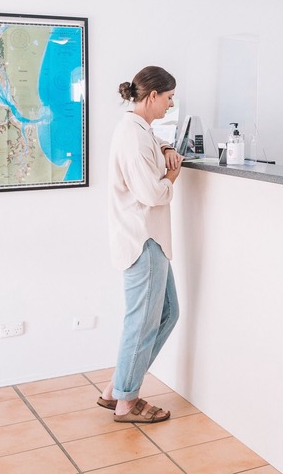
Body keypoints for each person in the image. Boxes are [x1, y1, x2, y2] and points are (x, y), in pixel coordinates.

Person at [98, 65, 184, 423]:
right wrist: (172, 177)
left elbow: (150, 147)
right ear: (152, 96)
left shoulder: (140, 130)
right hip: (142, 241)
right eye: (168, 97)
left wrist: (163, 145)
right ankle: (127, 402)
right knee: (142, 323)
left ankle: (117, 389)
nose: (170, 104)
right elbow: (150, 192)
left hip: (149, 241)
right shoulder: (133, 135)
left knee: (167, 314)